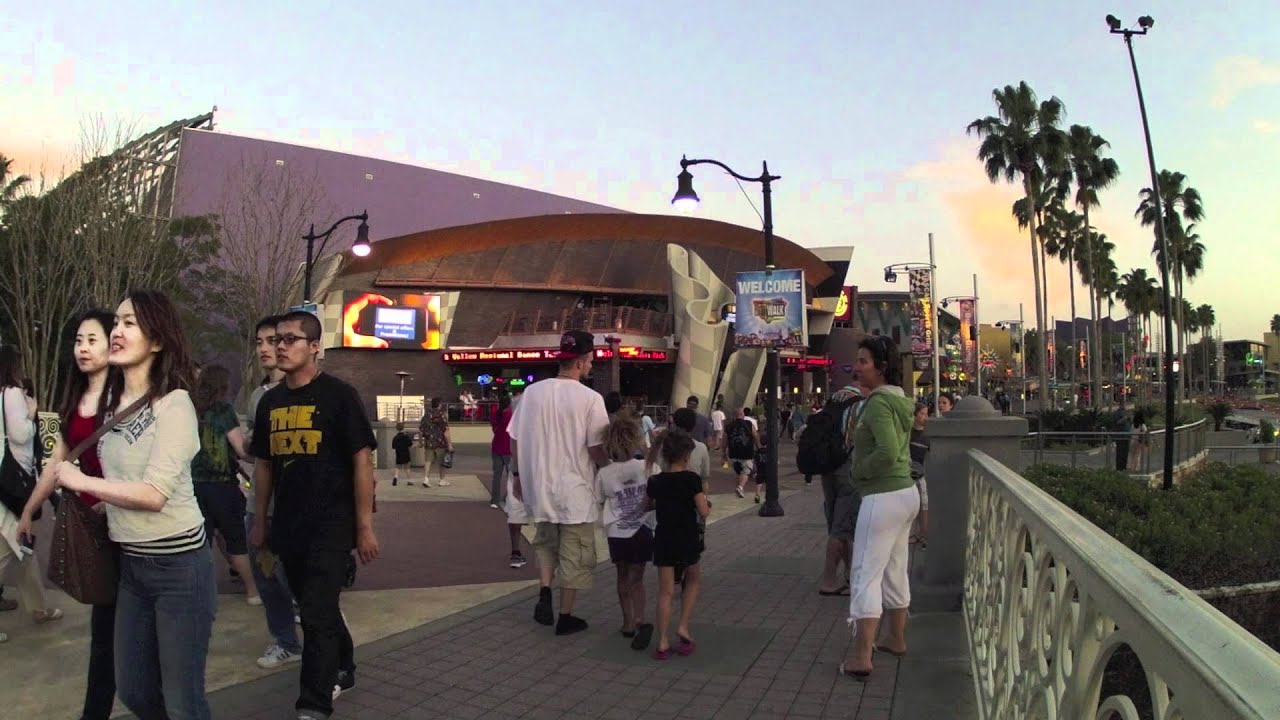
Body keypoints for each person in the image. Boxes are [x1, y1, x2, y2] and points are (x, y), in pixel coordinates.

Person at [51, 290, 214, 718]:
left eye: (130, 324)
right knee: (134, 690)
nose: (117, 331)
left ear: (157, 341)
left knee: (183, 700)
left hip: (179, 568)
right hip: (131, 568)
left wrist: (83, 481)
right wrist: (101, 506)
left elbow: (155, 495)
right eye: (117, 323)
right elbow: (124, 480)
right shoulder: (111, 407)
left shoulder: (175, 404)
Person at [250, 310, 380, 719]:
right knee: (313, 606)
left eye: (291, 339)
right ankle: (346, 665)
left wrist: (364, 526)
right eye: (277, 340)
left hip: (332, 524)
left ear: (314, 346)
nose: (281, 346)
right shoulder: (270, 402)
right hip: (288, 525)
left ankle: (313, 704)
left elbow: (362, 460)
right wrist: (260, 522)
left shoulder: (339, 396)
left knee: (317, 612)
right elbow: (264, 466)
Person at [509, 330, 610, 636]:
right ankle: (565, 616)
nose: (591, 366)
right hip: (575, 490)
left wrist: (516, 475)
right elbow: (595, 448)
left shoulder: (531, 394)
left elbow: (513, 438)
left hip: (539, 486)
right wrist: (610, 466)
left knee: (545, 543)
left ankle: (544, 591)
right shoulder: (591, 399)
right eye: (590, 361)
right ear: (580, 362)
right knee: (574, 554)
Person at [839, 335, 919, 680]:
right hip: (905, 495)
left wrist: (858, 470)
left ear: (881, 368)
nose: (856, 368)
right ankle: (895, 639)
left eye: (863, 362)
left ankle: (861, 657)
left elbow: (886, 451)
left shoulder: (879, 404)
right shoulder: (899, 401)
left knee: (864, 574)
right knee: (894, 569)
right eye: (857, 361)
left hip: (882, 497)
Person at [244, 315, 303, 671]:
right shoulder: (257, 396)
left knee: (301, 580)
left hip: (299, 506)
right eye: (260, 342)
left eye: (274, 341)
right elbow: (256, 451)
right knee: (266, 576)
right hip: (261, 502)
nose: (267, 349)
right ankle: (285, 641)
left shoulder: (313, 391)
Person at [2, 343, 66, 646]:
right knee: (7, 548)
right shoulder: (12, 393)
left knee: (23, 547)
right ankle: (39, 608)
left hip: (4, 479)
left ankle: (39, 607)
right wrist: (31, 413)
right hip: (11, 480)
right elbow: (20, 434)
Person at [190, 364, 260, 606]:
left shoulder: (191, 410)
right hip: (222, 486)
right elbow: (241, 450)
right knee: (236, 539)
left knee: (201, 543)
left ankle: (200, 595)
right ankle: (252, 591)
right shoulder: (224, 411)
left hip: (194, 486)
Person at [645, 429, 711, 660]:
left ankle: (662, 641)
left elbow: (646, 506)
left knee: (665, 591)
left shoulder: (656, 481)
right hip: (688, 536)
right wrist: (707, 506)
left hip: (664, 537)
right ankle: (683, 626)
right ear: (685, 456)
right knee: (691, 580)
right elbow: (703, 511)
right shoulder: (692, 479)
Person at [595, 414, 654, 651]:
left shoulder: (605, 473)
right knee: (638, 578)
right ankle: (640, 617)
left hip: (617, 531)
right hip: (643, 528)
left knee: (622, 575)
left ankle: (627, 621)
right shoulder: (647, 467)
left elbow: (599, 499)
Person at [909, 401, 931, 546]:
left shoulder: (928, 434)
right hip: (908, 472)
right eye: (922, 413)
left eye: (926, 414)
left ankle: (924, 534)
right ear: (915, 415)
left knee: (924, 504)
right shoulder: (908, 433)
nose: (925, 417)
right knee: (910, 505)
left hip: (921, 473)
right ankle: (913, 533)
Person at [418, 398, 453, 488]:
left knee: (428, 461)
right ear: (439, 405)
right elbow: (446, 431)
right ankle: (442, 480)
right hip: (440, 442)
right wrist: (449, 444)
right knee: (442, 462)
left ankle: (426, 479)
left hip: (429, 441)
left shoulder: (426, 415)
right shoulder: (441, 415)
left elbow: (421, 430)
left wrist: (420, 442)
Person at [725, 408, 758, 499]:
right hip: (746, 452)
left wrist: (723, 452)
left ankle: (739, 489)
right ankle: (740, 487)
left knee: (739, 471)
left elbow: (725, 440)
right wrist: (759, 447)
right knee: (746, 470)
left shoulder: (729, 426)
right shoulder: (748, 424)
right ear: (742, 414)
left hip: (733, 452)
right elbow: (755, 436)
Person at [489, 395, 513, 508]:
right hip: (508, 448)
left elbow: (494, 427)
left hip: (496, 446)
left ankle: (495, 500)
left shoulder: (496, 414)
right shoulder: (510, 414)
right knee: (511, 476)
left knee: (496, 475)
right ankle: (509, 497)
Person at [391, 422, 414, 486]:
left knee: (398, 467)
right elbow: (410, 445)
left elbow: (393, 447)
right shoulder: (406, 436)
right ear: (403, 428)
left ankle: (395, 477)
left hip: (398, 453)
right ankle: (409, 480)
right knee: (407, 467)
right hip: (406, 453)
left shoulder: (395, 437)